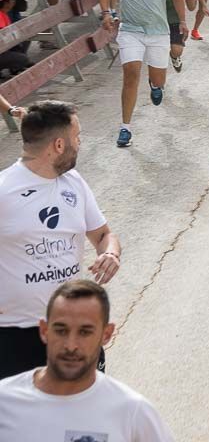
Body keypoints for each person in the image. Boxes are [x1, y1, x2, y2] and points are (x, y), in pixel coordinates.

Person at [0, 102, 121, 379]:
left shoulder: (74, 183)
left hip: (71, 327)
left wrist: (110, 253)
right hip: (15, 337)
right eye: (76, 138)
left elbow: (104, 235)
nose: (79, 144)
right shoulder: (4, 191)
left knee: (81, 414)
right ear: (58, 145)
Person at [0, 280, 173, 440]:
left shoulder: (132, 411)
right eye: (61, 330)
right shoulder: (5, 401)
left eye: (85, 332)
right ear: (44, 331)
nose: (71, 345)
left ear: (106, 334)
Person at [100, 0, 186, 148]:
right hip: (131, 31)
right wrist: (106, 13)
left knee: (158, 81)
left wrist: (183, 22)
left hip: (159, 32)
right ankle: (125, 128)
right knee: (130, 74)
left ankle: (155, 85)